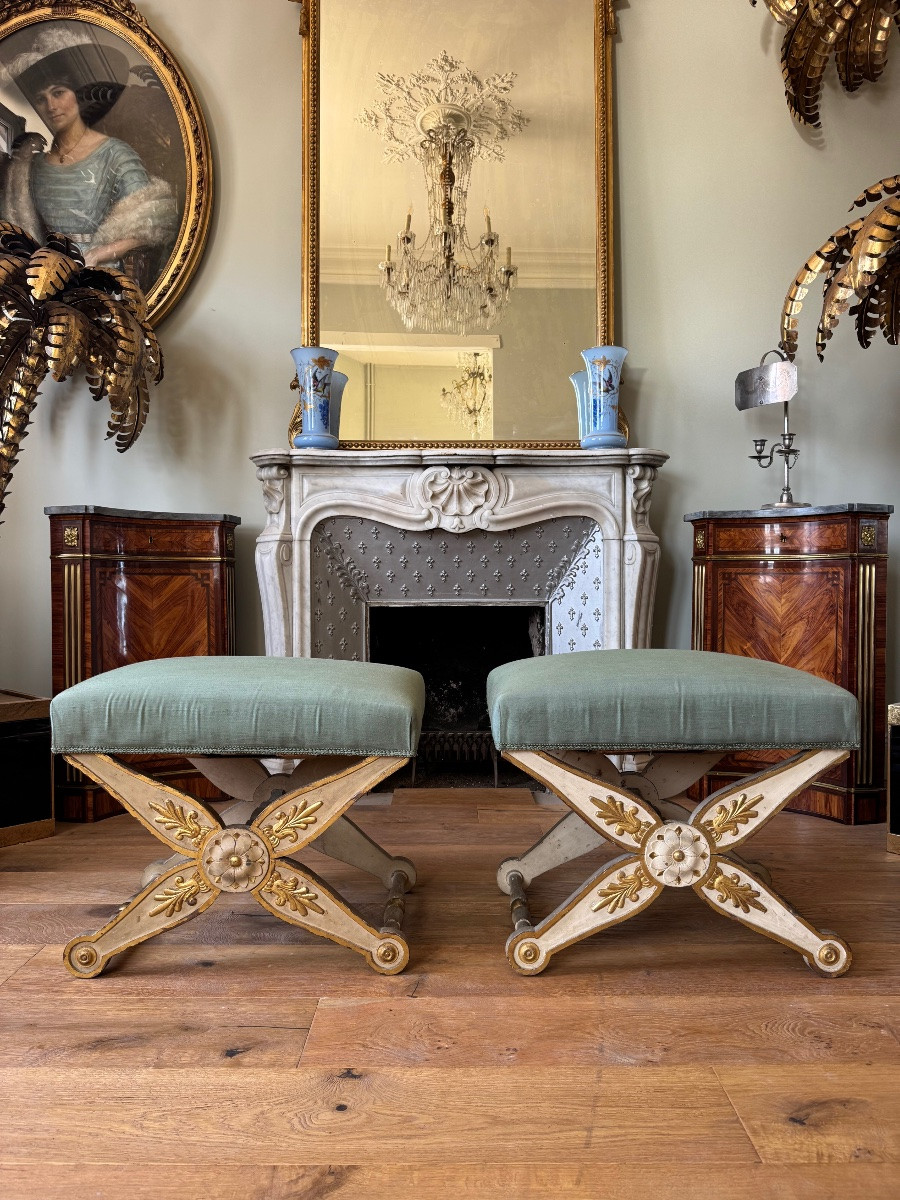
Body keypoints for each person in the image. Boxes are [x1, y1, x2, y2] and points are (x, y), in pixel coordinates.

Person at [1, 36, 177, 283]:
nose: (51, 105)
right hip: (40, 276)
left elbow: (151, 219)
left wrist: (98, 254)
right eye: (41, 98)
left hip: (97, 276)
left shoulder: (115, 153)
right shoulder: (30, 167)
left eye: (59, 93)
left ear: (76, 95)